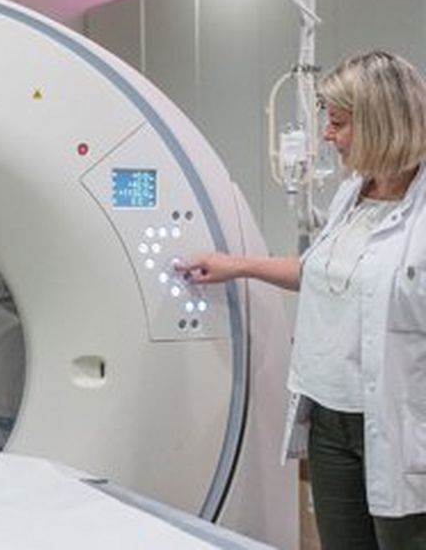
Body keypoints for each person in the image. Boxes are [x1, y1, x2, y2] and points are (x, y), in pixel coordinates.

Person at [178, 50, 426, 549]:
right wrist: (236, 265)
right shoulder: (352, 195)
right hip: (330, 420)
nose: (327, 136)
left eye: (338, 123)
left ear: (380, 124)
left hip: (400, 422)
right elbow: (320, 273)